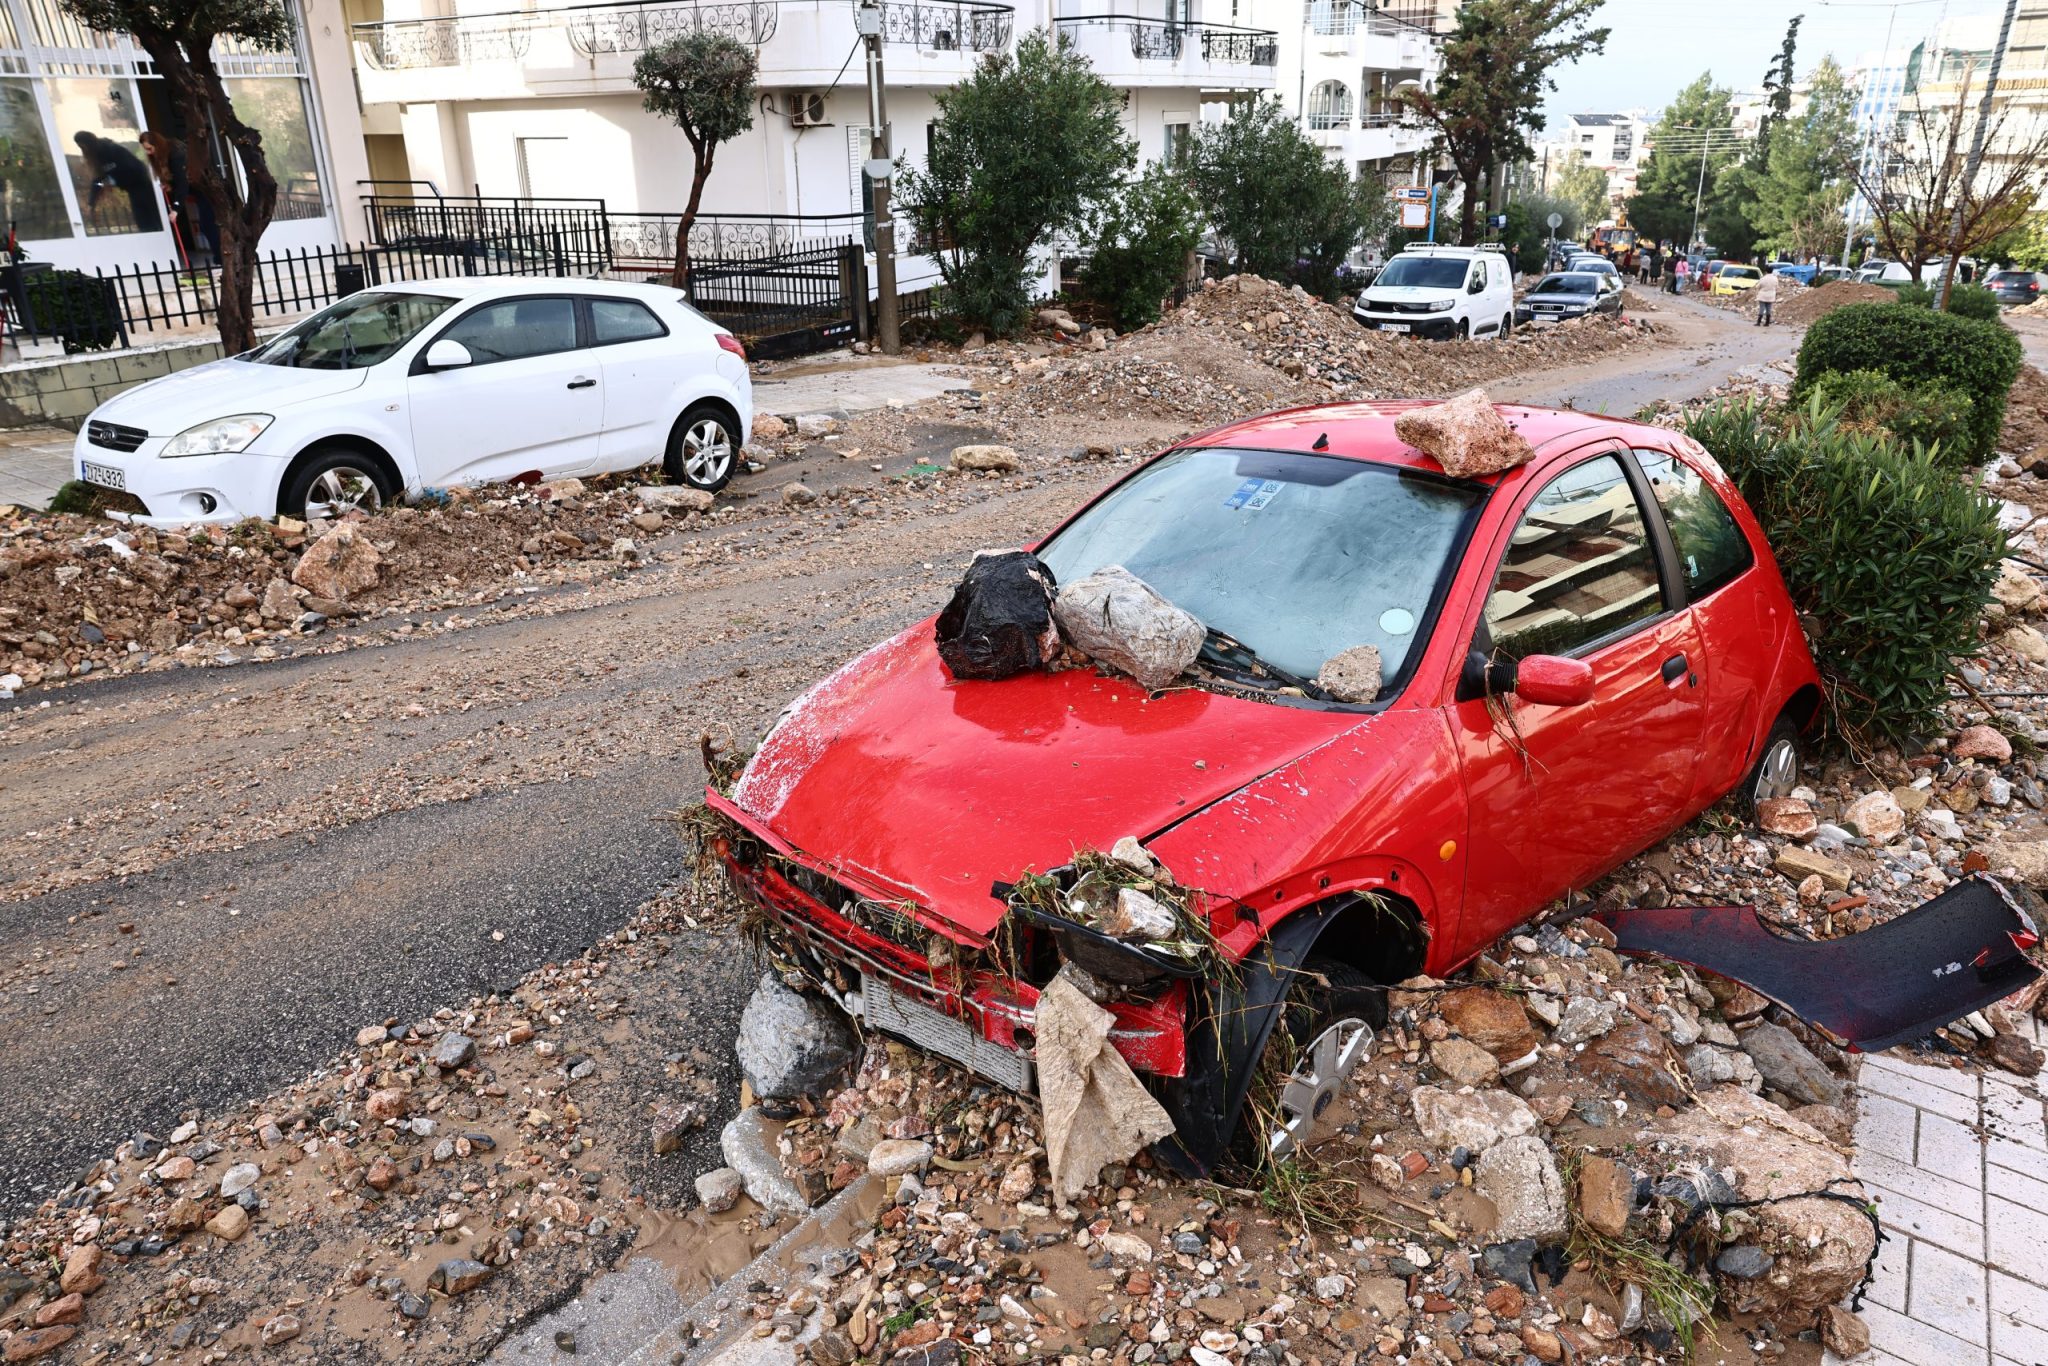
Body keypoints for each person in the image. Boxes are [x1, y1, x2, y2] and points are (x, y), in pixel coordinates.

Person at [72, 130, 161, 233]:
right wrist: (91, 203)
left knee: (152, 218)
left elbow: (135, 168)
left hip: (142, 185)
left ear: (88, 143)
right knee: (143, 221)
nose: (83, 150)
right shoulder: (98, 159)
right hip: (132, 189)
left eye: (82, 147)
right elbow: (98, 181)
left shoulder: (112, 150)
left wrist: (113, 181)